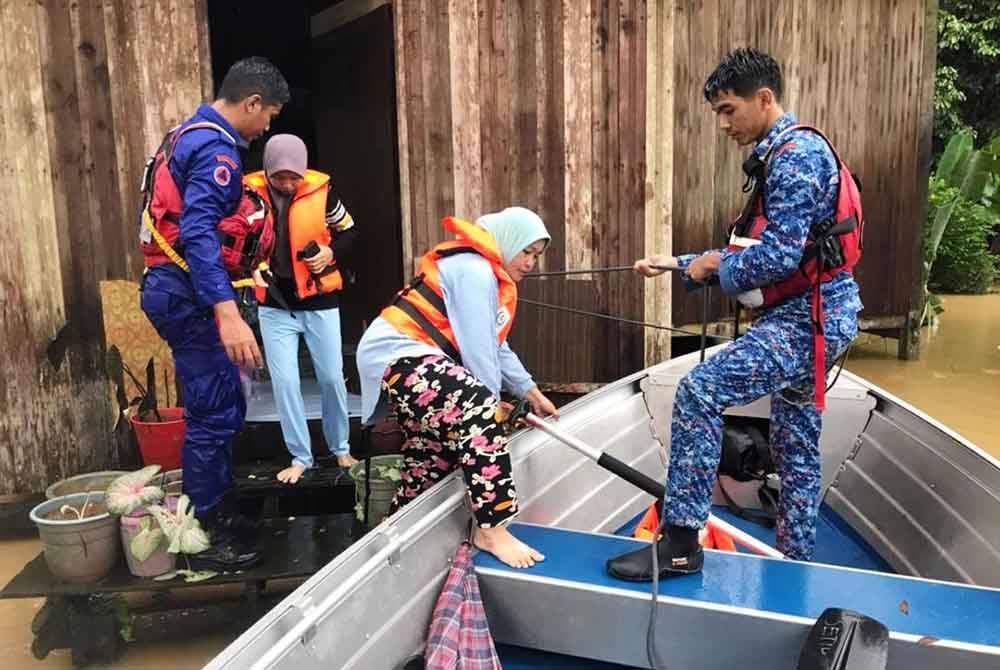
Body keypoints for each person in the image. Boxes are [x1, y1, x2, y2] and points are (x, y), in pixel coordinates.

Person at [607, 47, 863, 580]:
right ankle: (795, 564)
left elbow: (777, 258)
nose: (723, 124)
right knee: (795, 441)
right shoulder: (786, 152)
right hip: (821, 318)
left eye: (729, 110)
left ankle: (681, 544)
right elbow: (758, 247)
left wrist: (712, 268)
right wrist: (678, 263)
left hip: (804, 321)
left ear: (764, 98)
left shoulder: (794, 158)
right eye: (718, 113)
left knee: (700, 391)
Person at [139, 57, 289, 570]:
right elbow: (199, 232)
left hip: (176, 288)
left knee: (222, 406)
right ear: (252, 103)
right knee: (212, 415)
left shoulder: (182, 136)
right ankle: (205, 532)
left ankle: (220, 510)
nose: (265, 127)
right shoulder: (214, 148)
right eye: (268, 115)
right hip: (190, 295)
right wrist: (227, 314)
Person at [356, 207, 560, 569]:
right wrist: (491, 408)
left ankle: (400, 535)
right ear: (508, 240)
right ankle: (492, 528)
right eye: (526, 251)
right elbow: (479, 352)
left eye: (536, 256)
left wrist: (532, 393)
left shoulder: (483, 272)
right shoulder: (474, 270)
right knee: (476, 406)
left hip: (417, 361)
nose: (530, 263)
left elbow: (496, 347)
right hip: (398, 355)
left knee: (432, 452)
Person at [246, 134, 359, 484]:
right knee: (285, 383)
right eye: (279, 177)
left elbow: (350, 231)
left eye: (293, 177)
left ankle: (341, 448)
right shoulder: (247, 195)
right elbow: (234, 239)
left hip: (319, 301)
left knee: (331, 378)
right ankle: (300, 457)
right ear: (267, 171)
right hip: (274, 304)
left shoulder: (324, 194)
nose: (287, 183)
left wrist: (330, 253)